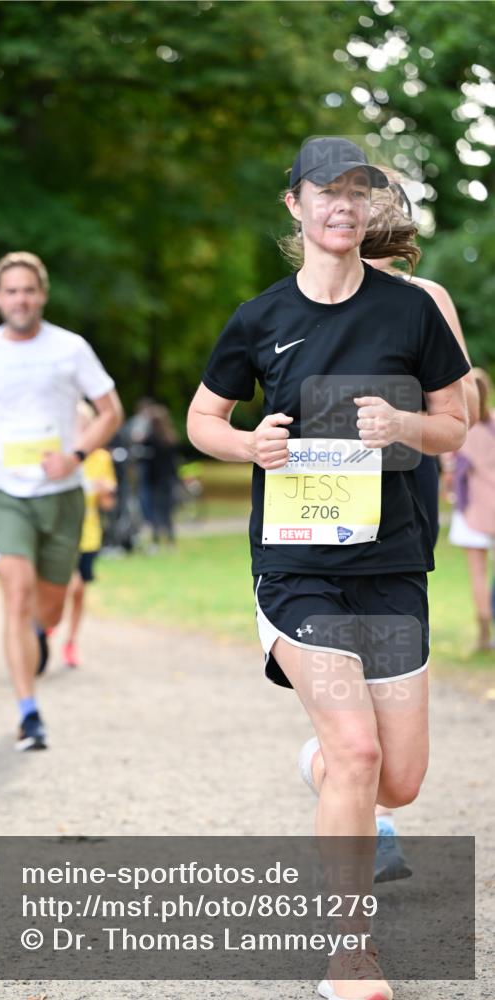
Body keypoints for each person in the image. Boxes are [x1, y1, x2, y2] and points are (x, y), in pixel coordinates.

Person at [187, 136, 469, 1000]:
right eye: (325, 192)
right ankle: (350, 954)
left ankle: (321, 763)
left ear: (369, 208)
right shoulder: (259, 317)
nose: (341, 205)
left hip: (391, 563)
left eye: (357, 193)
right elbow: (205, 419)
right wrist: (247, 442)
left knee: (399, 780)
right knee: (357, 751)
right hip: (296, 564)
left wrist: (403, 427)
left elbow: (454, 425)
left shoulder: (411, 310)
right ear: (296, 207)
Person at [0, 251, 123, 751]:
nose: (19, 299)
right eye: (10, 291)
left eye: (28, 290)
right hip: (4, 492)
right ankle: (28, 712)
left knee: (49, 609)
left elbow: (111, 410)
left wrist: (77, 455)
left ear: (41, 294)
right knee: (16, 597)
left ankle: (41, 634)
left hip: (61, 495)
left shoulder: (70, 348)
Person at [361, 168, 479, 881]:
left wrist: (400, 403)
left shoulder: (425, 298)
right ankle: (368, 812)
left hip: (405, 499)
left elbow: (458, 399)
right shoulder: (307, 299)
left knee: (387, 654)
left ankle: (371, 796)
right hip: (330, 504)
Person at [58, 401, 117, 668]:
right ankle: (49, 619)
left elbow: (108, 505)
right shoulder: (57, 457)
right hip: (61, 534)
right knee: (71, 585)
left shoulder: (101, 458)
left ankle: (70, 641)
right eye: (75, 424)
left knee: (79, 591)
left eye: (84, 424)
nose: (79, 429)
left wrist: (105, 491)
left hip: (89, 534)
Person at [448, 368, 495, 651]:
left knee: (478, 573)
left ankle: (484, 634)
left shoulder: (461, 431)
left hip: (474, 512)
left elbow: (452, 475)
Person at [139, 404, 179, 546]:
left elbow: (144, 458)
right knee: (167, 512)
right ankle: (170, 540)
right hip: (167, 480)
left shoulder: (150, 439)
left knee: (154, 511)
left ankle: (156, 540)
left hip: (153, 480)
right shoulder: (170, 438)